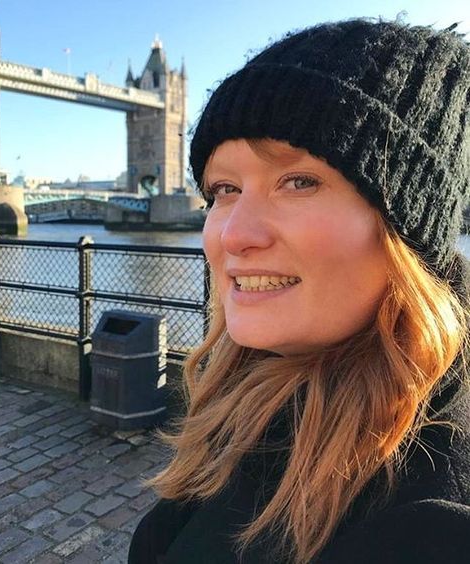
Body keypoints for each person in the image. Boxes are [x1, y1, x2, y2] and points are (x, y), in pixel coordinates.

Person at [129, 18, 470, 564]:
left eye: (299, 181)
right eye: (224, 189)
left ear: (405, 230)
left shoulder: (434, 528)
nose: (234, 235)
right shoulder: (253, 390)